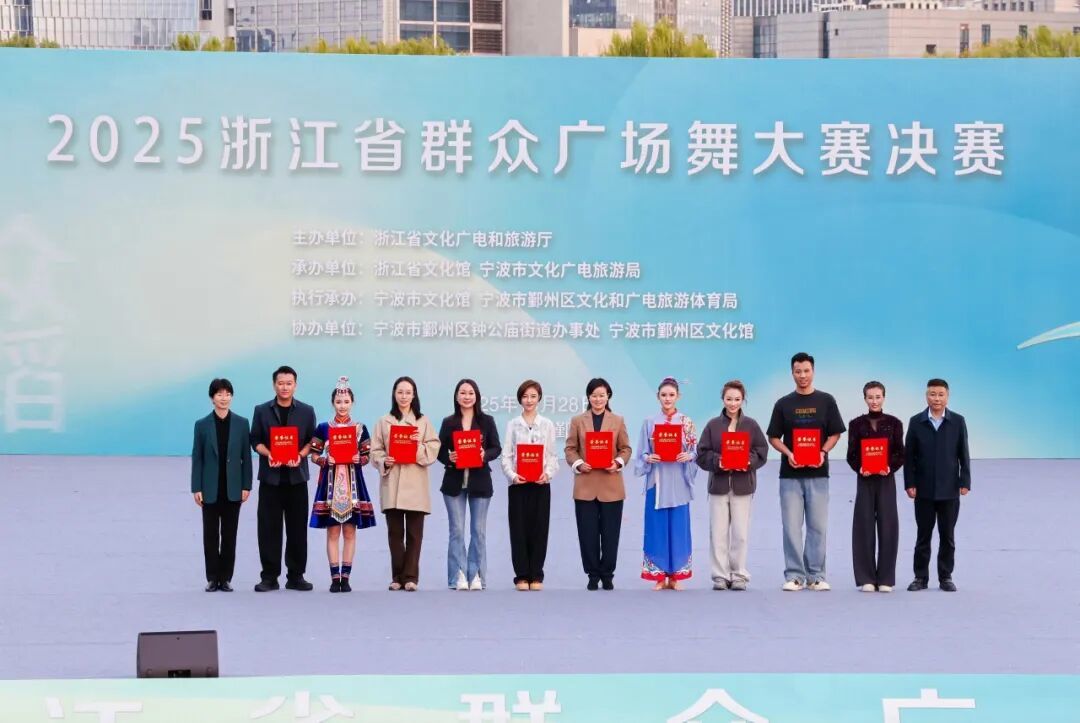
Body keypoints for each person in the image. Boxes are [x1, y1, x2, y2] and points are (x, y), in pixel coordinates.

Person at [767, 352, 846, 592]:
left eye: (806, 371)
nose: (802, 375)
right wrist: (788, 453)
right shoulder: (783, 403)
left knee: (817, 527)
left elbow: (835, 433)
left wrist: (822, 451)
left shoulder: (826, 401)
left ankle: (816, 575)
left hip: (818, 473)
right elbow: (773, 437)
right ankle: (794, 575)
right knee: (791, 527)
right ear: (792, 373)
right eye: (798, 371)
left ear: (813, 371)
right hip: (790, 476)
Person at [250, 365, 318, 592]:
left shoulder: (306, 411)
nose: (285, 387)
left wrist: (300, 455)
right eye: (281, 383)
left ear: (295, 385)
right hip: (270, 479)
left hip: (297, 479)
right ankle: (269, 576)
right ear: (274, 385)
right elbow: (255, 440)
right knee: (268, 529)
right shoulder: (261, 411)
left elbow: (312, 441)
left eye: (289, 383)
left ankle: (296, 576)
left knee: (297, 529)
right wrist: (268, 453)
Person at [695, 380, 768, 591]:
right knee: (718, 533)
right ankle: (720, 575)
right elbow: (702, 454)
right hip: (718, 487)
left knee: (740, 534)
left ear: (743, 400)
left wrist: (747, 461)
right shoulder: (712, 425)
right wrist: (719, 461)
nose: (733, 403)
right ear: (723, 399)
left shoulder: (751, 425)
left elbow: (761, 451)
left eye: (737, 399)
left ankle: (738, 575)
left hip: (743, 486)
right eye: (729, 399)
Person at [370, 376, 440, 592]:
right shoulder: (384, 421)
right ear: (394, 394)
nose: (404, 396)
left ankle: (411, 578)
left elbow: (433, 449)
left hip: (415, 483)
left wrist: (416, 446)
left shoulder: (423, 421)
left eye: (408, 392)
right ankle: (397, 577)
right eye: (400, 392)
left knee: (414, 535)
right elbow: (375, 450)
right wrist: (385, 460)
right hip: (392, 482)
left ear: (414, 395)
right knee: (395, 534)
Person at [308, 376, 377, 593]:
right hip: (329, 486)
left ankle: (345, 578)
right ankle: (334, 577)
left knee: (349, 532)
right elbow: (313, 454)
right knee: (332, 533)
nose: (342, 406)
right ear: (333, 403)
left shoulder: (360, 428)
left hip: (352, 485)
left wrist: (360, 459)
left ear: (352, 403)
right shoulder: (323, 428)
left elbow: (367, 455)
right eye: (338, 402)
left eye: (346, 402)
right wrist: (324, 460)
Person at [564, 378, 633, 591]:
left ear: (608, 396)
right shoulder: (577, 420)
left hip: (611, 485)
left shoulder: (618, 420)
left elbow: (626, 448)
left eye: (602, 395)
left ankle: (608, 574)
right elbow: (570, 448)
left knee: (611, 534)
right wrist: (578, 463)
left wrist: (618, 462)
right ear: (588, 397)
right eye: (594, 395)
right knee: (587, 534)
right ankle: (592, 575)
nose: (598, 399)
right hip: (585, 485)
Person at [904, 378, 971, 593]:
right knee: (923, 536)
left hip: (949, 489)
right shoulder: (916, 422)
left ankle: (946, 577)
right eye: (932, 394)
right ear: (926, 396)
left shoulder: (957, 421)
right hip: (923, 489)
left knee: (947, 536)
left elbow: (963, 454)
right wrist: (910, 483)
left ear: (947, 396)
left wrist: (965, 481)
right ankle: (920, 577)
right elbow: (909, 456)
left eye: (941, 394)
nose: (936, 398)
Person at [436, 379, 502, 591]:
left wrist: (484, 455)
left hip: (480, 482)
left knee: (478, 531)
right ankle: (458, 575)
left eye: (470, 393)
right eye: (462, 393)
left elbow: (496, 448)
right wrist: (449, 457)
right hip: (454, 483)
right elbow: (439, 450)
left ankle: (477, 576)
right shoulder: (448, 422)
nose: (466, 396)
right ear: (456, 397)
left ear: (477, 396)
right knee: (456, 530)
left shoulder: (487, 421)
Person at [635, 377, 698, 591]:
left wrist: (689, 456)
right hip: (657, 482)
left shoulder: (687, 422)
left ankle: (676, 576)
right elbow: (641, 452)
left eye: (671, 395)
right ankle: (659, 576)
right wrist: (648, 457)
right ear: (658, 397)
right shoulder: (649, 422)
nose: (667, 399)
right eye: (664, 395)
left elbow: (695, 451)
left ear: (678, 396)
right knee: (657, 528)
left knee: (678, 529)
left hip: (679, 481)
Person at [190, 378, 252, 592]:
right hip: (209, 488)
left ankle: (225, 578)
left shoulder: (242, 423)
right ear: (212, 398)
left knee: (229, 534)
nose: (224, 398)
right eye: (219, 394)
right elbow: (197, 458)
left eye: (227, 394)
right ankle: (212, 577)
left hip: (233, 487)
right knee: (210, 535)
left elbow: (246, 457)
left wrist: (246, 485)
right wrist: (196, 488)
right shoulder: (201, 425)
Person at [846, 381, 905, 593]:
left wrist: (889, 467)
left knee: (888, 526)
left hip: (886, 479)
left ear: (884, 398)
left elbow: (900, 453)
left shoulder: (895, 423)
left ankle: (886, 578)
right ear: (864, 399)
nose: (874, 401)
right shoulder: (856, 424)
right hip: (865, 480)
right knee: (863, 526)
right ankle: (867, 578)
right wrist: (860, 468)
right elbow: (851, 454)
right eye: (870, 397)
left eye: (878, 397)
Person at [500, 379, 559, 591]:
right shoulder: (513, 424)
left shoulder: (548, 424)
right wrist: (512, 475)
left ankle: (536, 574)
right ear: (519, 399)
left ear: (539, 398)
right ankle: (521, 576)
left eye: (533, 396)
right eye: (525, 396)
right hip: (518, 485)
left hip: (541, 484)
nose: (529, 400)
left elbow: (552, 456)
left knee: (539, 529)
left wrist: (548, 473)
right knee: (518, 529)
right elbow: (506, 456)